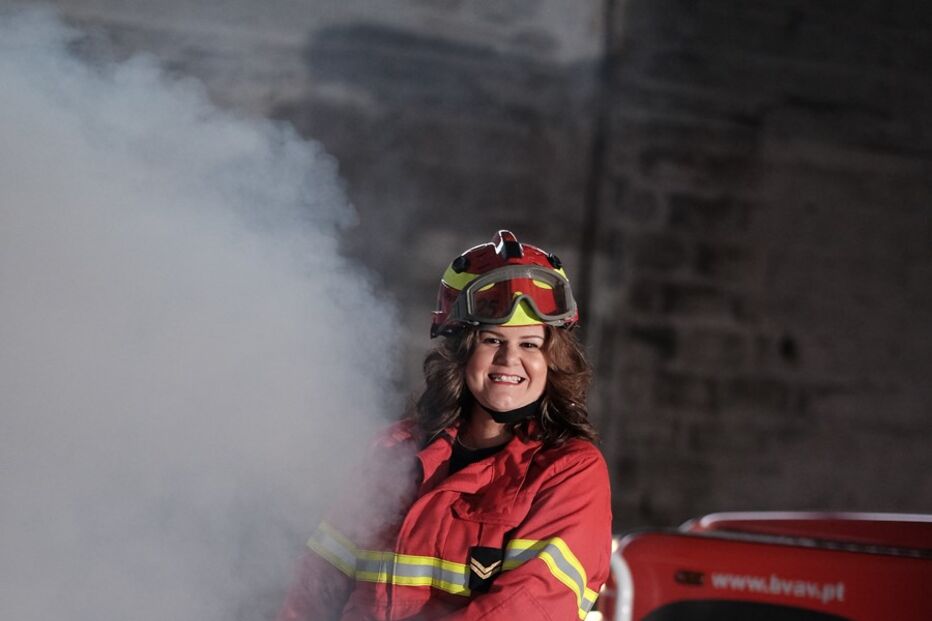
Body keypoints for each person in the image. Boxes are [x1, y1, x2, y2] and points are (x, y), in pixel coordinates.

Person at [278, 230, 612, 620]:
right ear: (461, 350)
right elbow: (317, 583)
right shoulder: (394, 451)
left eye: (529, 344)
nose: (509, 360)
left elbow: (529, 607)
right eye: (491, 340)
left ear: (552, 359)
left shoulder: (569, 471)